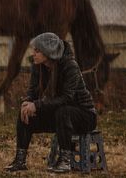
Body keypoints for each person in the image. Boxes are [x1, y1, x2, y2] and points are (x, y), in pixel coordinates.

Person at [5, 32, 97, 173]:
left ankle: (65, 160)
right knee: (25, 113)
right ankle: (20, 160)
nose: (33, 53)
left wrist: (37, 105)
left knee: (63, 112)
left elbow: (67, 98)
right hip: (58, 114)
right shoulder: (38, 65)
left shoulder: (70, 66)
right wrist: (28, 102)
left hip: (84, 115)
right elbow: (33, 90)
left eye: (37, 50)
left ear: (48, 53)